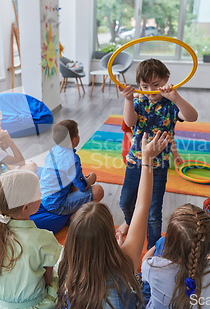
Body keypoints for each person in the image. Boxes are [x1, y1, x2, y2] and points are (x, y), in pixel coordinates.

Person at [57, 131, 170, 309]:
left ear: (73, 239)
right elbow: (142, 206)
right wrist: (147, 159)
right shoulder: (125, 262)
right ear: (110, 233)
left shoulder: (67, 267)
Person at [118, 58, 198, 248]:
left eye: (156, 85)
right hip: (135, 162)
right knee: (125, 202)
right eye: (144, 86)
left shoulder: (170, 105)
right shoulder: (139, 101)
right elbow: (129, 123)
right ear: (139, 85)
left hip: (158, 166)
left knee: (154, 212)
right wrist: (128, 100)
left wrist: (175, 97)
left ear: (167, 80)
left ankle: (153, 250)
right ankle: (130, 221)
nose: (150, 91)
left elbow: (192, 116)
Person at [0, 170, 62, 309]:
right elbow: (48, 280)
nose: (41, 195)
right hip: (35, 305)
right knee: (61, 274)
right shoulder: (45, 239)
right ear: (26, 207)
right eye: (38, 193)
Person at [141, 204, 210, 309]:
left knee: (143, 287)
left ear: (170, 242)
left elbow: (144, 261)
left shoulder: (154, 267)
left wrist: (159, 243)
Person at [40, 119, 104, 216]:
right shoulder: (72, 159)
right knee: (98, 190)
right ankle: (74, 217)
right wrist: (93, 177)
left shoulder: (54, 150)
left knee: (78, 180)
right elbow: (83, 187)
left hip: (45, 198)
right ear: (74, 139)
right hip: (57, 205)